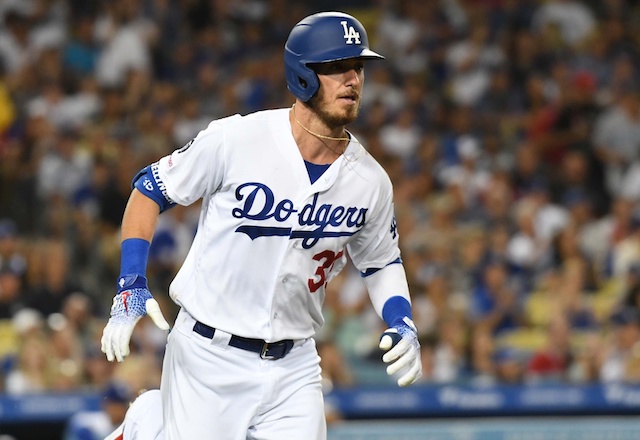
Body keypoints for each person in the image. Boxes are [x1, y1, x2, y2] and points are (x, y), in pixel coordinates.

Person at [101, 11, 421, 440]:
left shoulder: (371, 181)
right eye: (337, 68)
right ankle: (150, 421)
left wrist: (402, 320)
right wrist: (130, 282)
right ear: (303, 76)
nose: (353, 80)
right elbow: (149, 190)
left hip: (295, 364)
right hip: (208, 355)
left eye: (358, 68)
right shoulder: (237, 139)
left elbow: (381, 262)